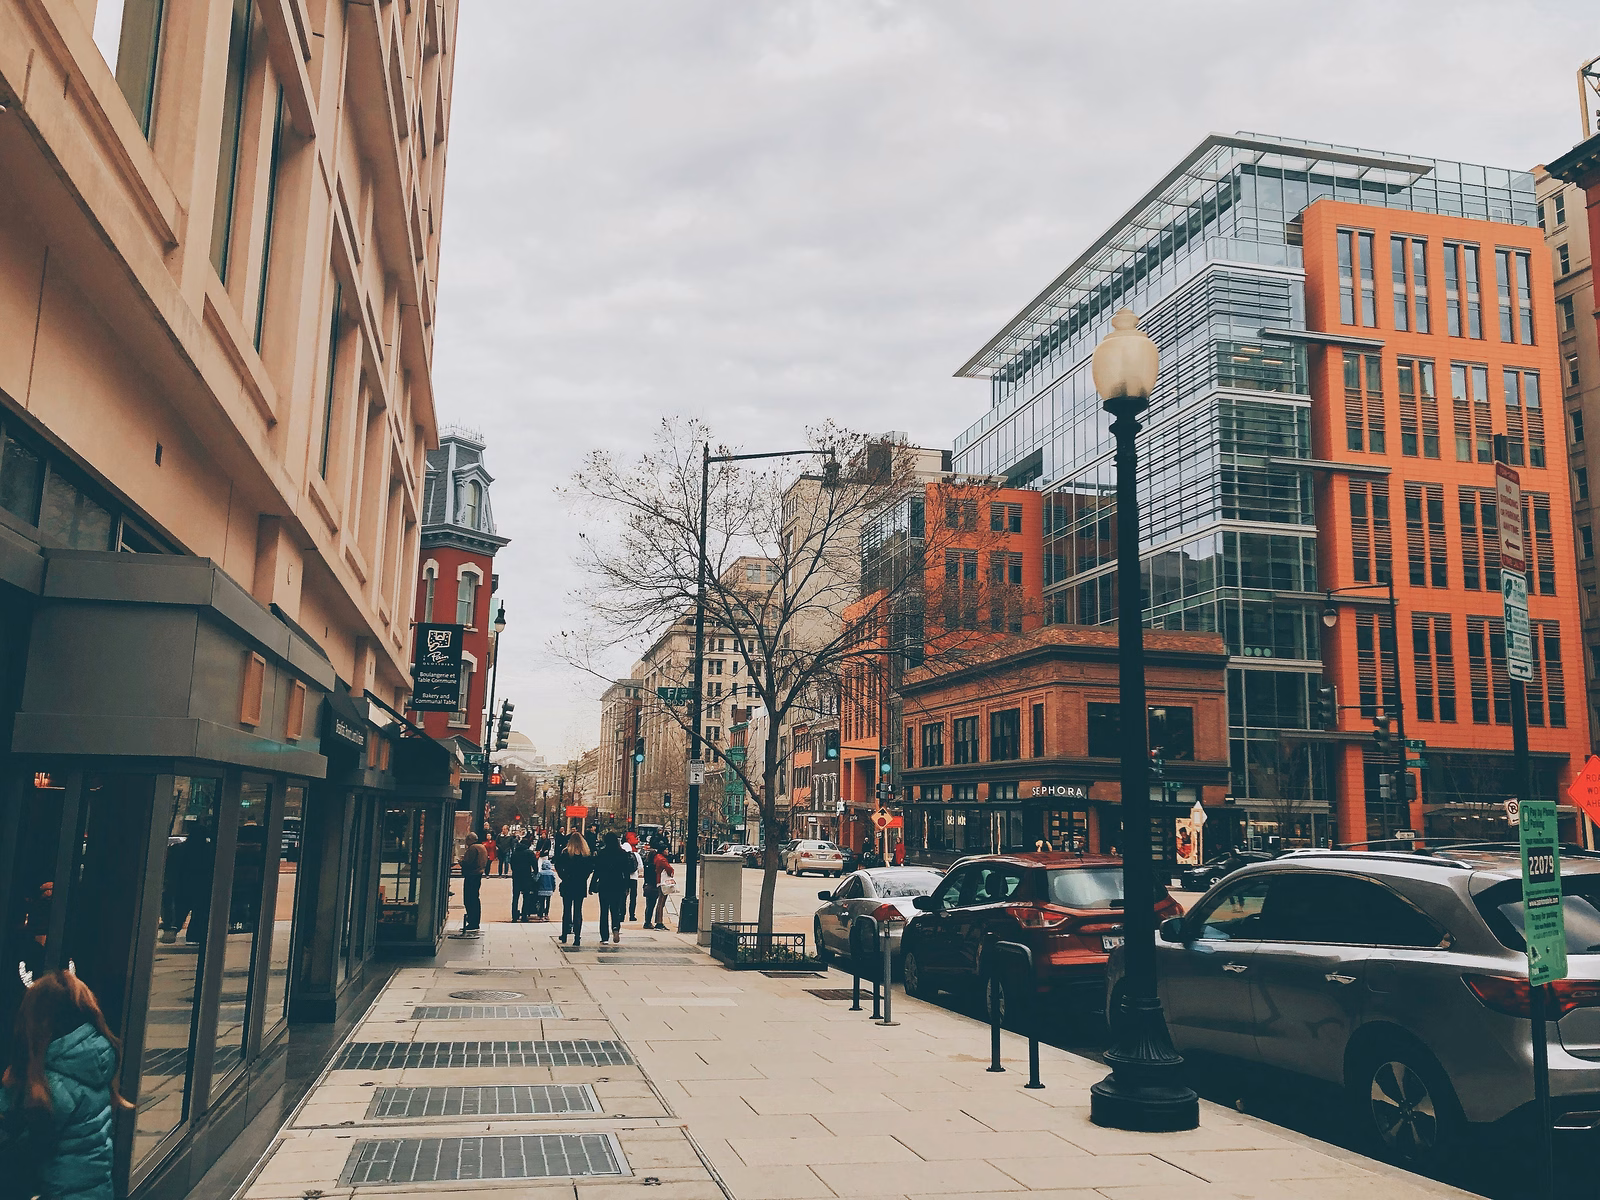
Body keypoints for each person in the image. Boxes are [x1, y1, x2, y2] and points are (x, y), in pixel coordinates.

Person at [0, 969, 130, 1200]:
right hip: (96, 1189)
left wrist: (7, 1092)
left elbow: (27, 1147)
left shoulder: (55, 1084)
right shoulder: (90, 1061)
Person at [590, 833, 636, 944]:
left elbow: (597, 871)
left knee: (604, 911)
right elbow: (626, 872)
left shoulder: (602, 853)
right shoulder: (622, 854)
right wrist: (627, 886)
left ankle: (604, 937)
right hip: (618, 884)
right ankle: (615, 928)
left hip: (604, 884)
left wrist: (592, 885)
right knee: (615, 910)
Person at [553, 833, 595, 946]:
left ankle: (565, 934)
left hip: (568, 883)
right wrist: (583, 878)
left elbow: (557, 865)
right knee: (578, 911)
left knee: (566, 910)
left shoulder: (566, 853)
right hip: (580, 884)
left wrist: (564, 876)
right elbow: (590, 868)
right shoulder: (585, 854)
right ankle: (577, 937)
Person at [458, 833, 488, 931]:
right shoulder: (482, 847)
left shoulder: (473, 848)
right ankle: (475, 921)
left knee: (469, 898)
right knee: (475, 898)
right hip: (478, 874)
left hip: (471, 875)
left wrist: (461, 862)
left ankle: (472, 921)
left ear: (470, 840)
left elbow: (468, 862)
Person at [644, 839, 675, 930]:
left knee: (652, 904)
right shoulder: (661, 859)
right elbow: (669, 869)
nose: (667, 851)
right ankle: (659, 922)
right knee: (661, 903)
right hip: (662, 882)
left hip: (654, 882)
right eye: (666, 849)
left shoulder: (656, 858)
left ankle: (652, 921)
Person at [510, 836, 539, 922]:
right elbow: (535, 865)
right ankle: (524, 915)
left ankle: (514, 915)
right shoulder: (529, 853)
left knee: (515, 896)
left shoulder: (515, 853)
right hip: (526, 876)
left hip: (516, 876)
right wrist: (535, 873)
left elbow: (512, 865)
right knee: (526, 896)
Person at [624, 838, 644, 922]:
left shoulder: (622, 855)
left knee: (623, 897)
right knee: (633, 897)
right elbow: (640, 867)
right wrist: (640, 874)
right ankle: (632, 915)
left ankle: (622, 914)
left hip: (624, 878)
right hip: (634, 878)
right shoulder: (636, 855)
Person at [535, 853, 557, 920]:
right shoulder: (551, 873)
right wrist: (553, 888)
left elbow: (536, 880)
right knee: (548, 902)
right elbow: (553, 882)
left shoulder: (540, 873)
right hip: (549, 890)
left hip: (541, 890)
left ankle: (541, 915)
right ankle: (546, 914)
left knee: (541, 902)